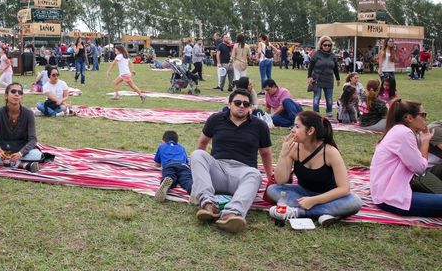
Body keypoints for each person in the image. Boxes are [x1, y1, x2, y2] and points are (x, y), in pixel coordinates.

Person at [191, 89, 272, 233]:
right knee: (197, 155)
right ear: (229, 104)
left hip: (243, 174)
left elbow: (265, 154)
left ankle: (231, 214)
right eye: (237, 102)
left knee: (255, 174)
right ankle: (209, 205)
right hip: (218, 169)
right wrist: (199, 172)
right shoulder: (216, 119)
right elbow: (202, 143)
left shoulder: (260, 126)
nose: (242, 106)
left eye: (246, 104)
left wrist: (270, 177)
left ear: (250, 107)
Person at [267, 111, 363, 225]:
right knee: (273, 190)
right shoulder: (294, 148)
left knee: (355, 202)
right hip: (303, 193)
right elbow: (280, 180)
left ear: (310, 131)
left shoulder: (330, 152)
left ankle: (299, 212)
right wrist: (283, 155)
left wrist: (314, 200)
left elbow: (344, 189)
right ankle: (325, 213)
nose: (292, 130)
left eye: (297, 127)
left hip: (329, 196)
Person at [370, 99, 442, 216]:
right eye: (423, 115)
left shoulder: (398, 130)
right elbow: (420, 168)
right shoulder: (404, 133)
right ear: (408, 118)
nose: (426, 119)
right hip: (391, 197)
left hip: (388, 191)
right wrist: (425, 141)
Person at [0, 83, 41, 173]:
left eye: (19, 92)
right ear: (6, 96)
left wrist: (20, 153)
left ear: (21, 97)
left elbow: (33, 139)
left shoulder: (28, 113)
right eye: (13, 91)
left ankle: (3, 162)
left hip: (21, 151)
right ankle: (23, 165)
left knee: (37, 154)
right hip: (5, 151)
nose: (17, 94)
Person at [153, 130, 193, 201]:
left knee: (170, 176)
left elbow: (157, 164)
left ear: (163, 140)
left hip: (169, 165)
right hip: (183, 165)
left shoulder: (162, 147)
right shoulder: (181, 147)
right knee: (186, 179)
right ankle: (193, 190)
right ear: (177, 141)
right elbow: (187, 162)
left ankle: (167, 182)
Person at [308, 35, 340, 118]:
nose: (327, 47)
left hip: (329, 79)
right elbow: (311, 66)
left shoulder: (332, 55)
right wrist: (309, 77)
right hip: (318, 79)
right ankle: (316, 113)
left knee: (329, 99)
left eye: (329, 45)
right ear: (321, 45)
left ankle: (329, 112)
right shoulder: (316, 54)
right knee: (317, 98)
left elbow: (335, 68)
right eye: (325, 45)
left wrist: (338, 79)